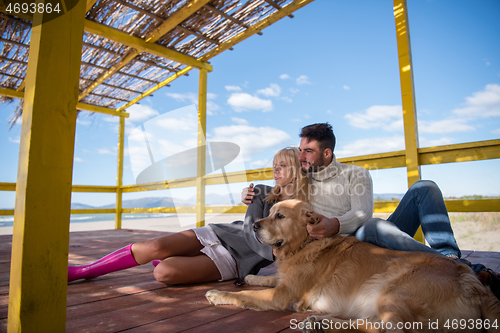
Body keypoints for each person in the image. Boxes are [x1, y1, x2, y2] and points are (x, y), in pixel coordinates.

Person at [242, 123, 499, 298]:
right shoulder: (304, 179)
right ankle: (472, 272)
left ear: (327, 152)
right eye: (300, 151)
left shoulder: (356, 174)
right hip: (344, 250)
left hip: (361, 233)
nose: (302, 157)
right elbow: (278, 187)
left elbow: (362, 213)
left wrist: (335, 224)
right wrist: (251, 193)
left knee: (424, 188)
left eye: (308, 151)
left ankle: (451, 261)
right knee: (376, 227)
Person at [68, 147, 309, 284]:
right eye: (274, 166)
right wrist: (275, 252)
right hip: (221, 234)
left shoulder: (304, 207)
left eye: (283, 166)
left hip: (236, 261)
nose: (275, 170)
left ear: (297, 168)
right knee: (153, 245)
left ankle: (173, 257)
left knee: (163, 272)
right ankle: (85, 270)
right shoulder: (261, 191)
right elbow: (249, 230)